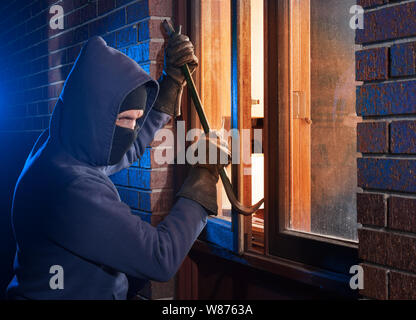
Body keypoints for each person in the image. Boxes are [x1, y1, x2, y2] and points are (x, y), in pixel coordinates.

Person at [7, 30, 230, 299]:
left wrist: (171, 82)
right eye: (125, 119)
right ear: (93, 116)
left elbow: (127, 146)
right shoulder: (71, 189)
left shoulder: (61, 146)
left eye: (137, 119)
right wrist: (203, 176)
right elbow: (160, 257)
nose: (131, 129)